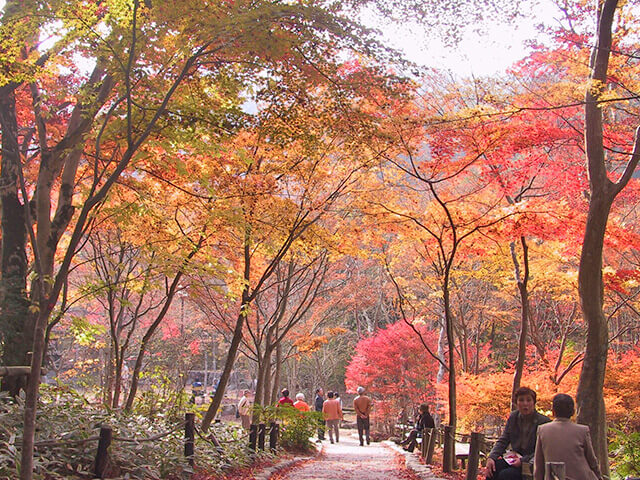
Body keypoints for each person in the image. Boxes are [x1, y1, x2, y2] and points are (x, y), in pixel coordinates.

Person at [486, 386, 551, 480]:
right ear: (516, 403)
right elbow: (504, 439)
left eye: (529, 400)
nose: (525, 404)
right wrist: (491, 457)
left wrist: (523, 460)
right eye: (521, 400)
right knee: (493, 468)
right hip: (514, 457)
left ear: (534, 403)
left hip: (533, 462)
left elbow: (544, 449)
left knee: (506, 475)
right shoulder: (513, 417)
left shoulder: (543, 422)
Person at [534, 394, 602, 480]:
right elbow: (592, 461)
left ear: (553, 411)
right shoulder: (582, 431)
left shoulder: (543, 430)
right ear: (572, 412)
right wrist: (599, 476)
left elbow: (539, 464)